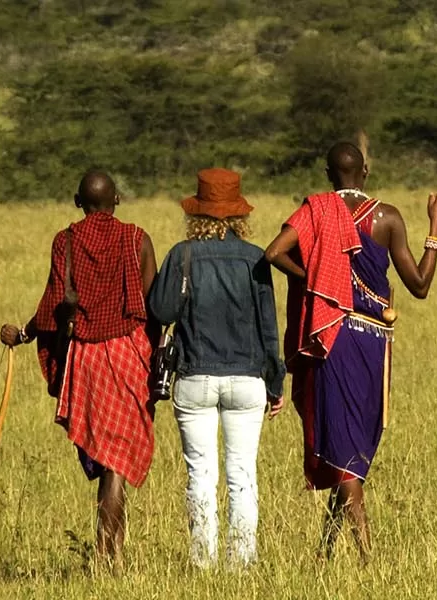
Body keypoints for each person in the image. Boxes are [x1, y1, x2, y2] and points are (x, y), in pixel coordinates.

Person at [264, 142, 437, 563]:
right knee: (351, 441)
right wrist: (435, 227)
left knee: (349, 444)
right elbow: (419, 285)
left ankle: (327, 551)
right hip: (372, 340)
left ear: (329, 175)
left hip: (332, 335)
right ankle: (367, 556)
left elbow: (273, 253)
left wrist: (315, 279)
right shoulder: (387, 217)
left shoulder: (315, 211)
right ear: (364, 171)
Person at [0, 170, 157, 567]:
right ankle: (111, 555)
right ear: (117, 199)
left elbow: (53, 305)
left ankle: (108, 554)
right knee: (116, 462)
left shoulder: (65, 241)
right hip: (128, 354)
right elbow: (154, 306)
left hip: (85, 357)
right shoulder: (138, 239)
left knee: (108, 460)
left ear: (77, 201)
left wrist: (22, 333)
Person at [148, 168, 286, 569]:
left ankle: (202, 563)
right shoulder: (256, 257)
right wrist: (275, 384)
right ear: (239, 213)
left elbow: (161, 309)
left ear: (197, 213)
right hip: (247, 378)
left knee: (200, 475)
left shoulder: (182, 254)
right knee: (242, 475)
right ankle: (241, 565)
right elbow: (268, 328)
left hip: (194, 378)